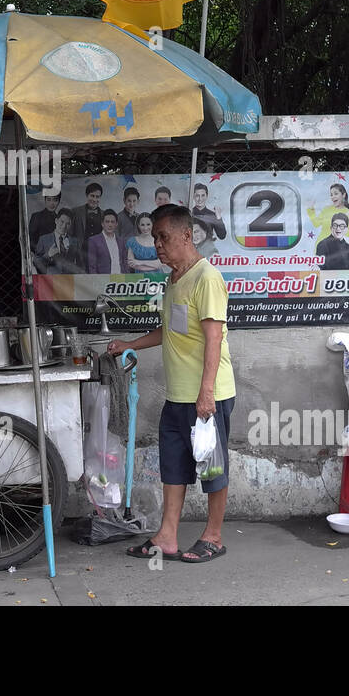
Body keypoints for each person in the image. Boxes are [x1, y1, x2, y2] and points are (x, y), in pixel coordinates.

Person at [107, 204, 235, 563]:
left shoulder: (206, 277)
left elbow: (214, 338)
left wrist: (206, 392)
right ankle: (167, 535)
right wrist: (130, 344)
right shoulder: (174, 280)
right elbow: (172, 331)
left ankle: (213, 535)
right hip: (178, 395)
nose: (158, 245)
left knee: (212, 467)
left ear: (186, 235)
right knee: (173, 466)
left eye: (163, 237)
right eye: (155, 238)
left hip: (208, 394)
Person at [33, 210, 84, 274]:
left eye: (68, 223)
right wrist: (48, 254)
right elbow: (36, 262)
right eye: (62, 222)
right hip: (51, 280)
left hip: (70, 280)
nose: (64, 226)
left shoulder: (75, 241)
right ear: (56, 221)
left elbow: (81, 265)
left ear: (71, 225)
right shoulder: (43, 239)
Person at [71, 182, 105, 267]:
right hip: (81, 255)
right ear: (87, 195)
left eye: (97, 197)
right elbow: (70, 234)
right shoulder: (76, 212)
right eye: (92, 196)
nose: (94, 199)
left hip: (99, 256)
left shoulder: (105, 215)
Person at [86, 209, 128, 273]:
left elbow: (125, 263)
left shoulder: (122, 241)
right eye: (107, 222)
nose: (110, 225)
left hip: (121, 280)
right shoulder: (93, 241)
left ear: (116, 224)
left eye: (112, 222)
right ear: (102, 224)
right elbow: (92, 266)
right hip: (103, 281)